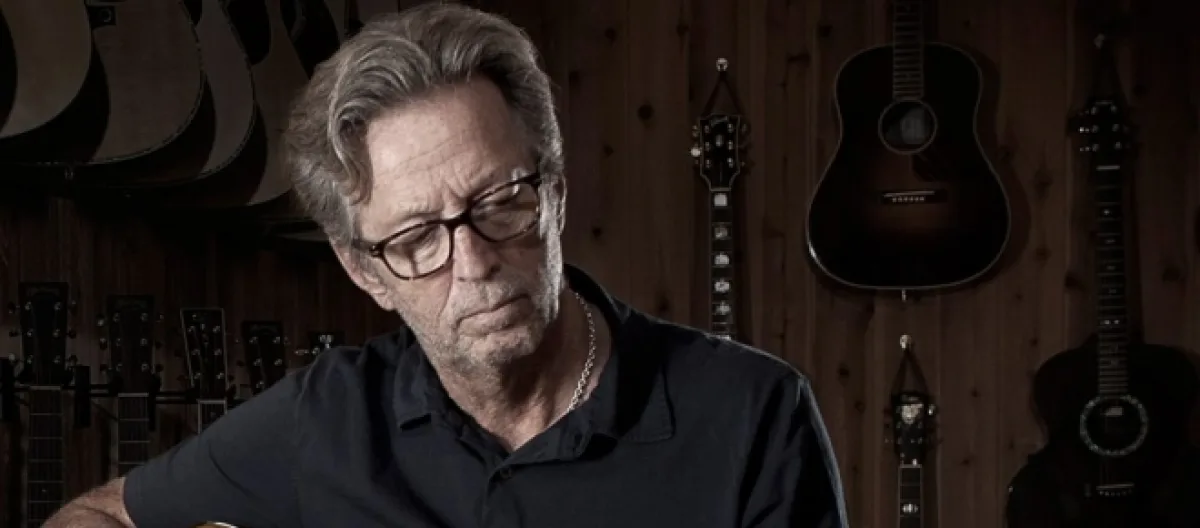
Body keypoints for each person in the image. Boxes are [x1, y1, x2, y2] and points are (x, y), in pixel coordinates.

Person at [44, 3, 848, 527]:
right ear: (365, 272)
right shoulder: (326, 419)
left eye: (499, 201)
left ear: (555, 192)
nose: (473, 262)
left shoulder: (753, 415)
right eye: (416, 238)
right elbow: (98, 516)